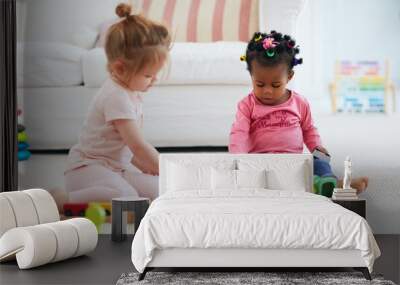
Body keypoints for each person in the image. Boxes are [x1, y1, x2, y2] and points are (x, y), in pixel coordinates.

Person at [229, 31, 368, 193]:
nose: (267, 91)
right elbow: (239, 133)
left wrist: (317, 147)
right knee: (259, 176)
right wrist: (239, 159)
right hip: (262, 161)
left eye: (275, 85)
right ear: (251, 76)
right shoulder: (247, 105)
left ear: (289, 76)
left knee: (321, 159)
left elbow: (309, 129)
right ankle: (313, 185)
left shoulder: (300, 103)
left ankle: (330, 183)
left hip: (294, 161)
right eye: (259, 84)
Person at [64, 3, 171, 203]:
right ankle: (62, 200)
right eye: (148, 75)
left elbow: (133, 153)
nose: (154, 80)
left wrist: (155, 173)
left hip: (114, 169)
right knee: (126, 197)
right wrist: (168, 171)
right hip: (87, 170)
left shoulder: (131, 91)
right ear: (120, 68)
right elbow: (138, 147)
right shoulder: (116, 96)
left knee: (161, 190)